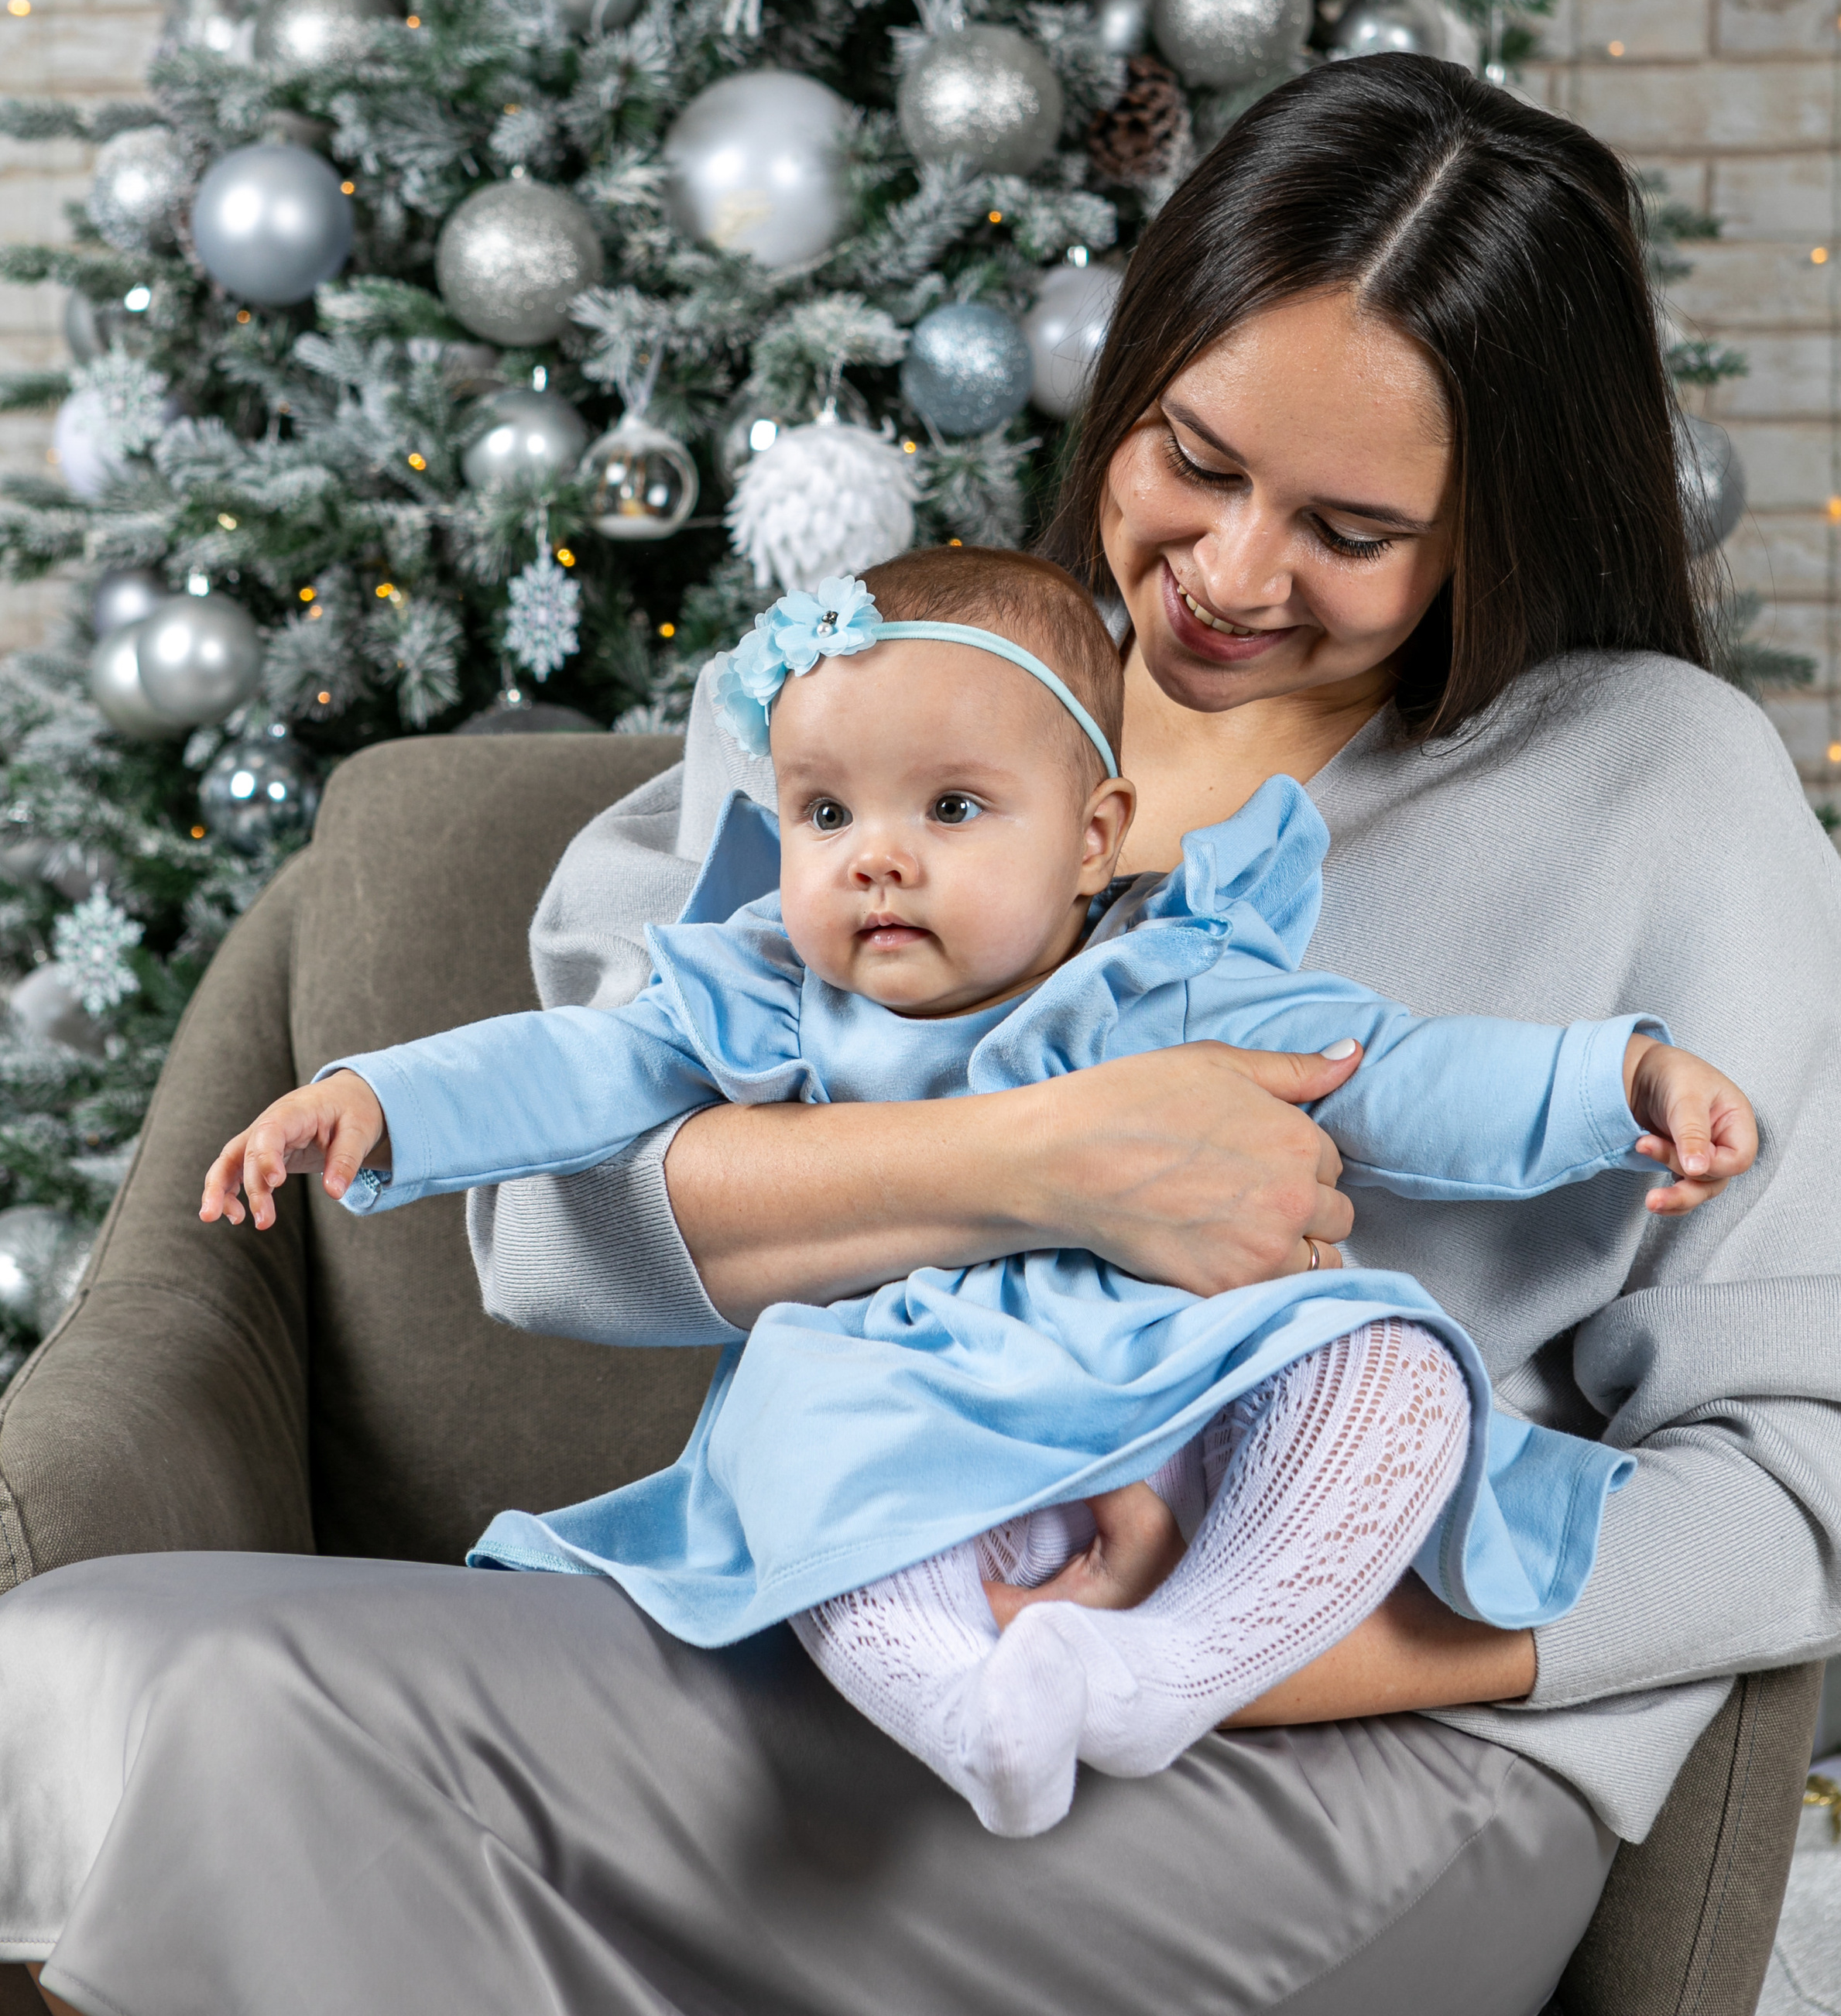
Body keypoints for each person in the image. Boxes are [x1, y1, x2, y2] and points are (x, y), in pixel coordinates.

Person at [3, 57, 1841, 2016]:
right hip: (874, 1639)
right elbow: (569, 1213)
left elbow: (1795, 1485)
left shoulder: (1653, 788)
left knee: (252, 1724)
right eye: (1193, 461)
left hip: (1350, 1760)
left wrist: (1226, 1650)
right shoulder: (883, 696)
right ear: (1126, 380)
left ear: (1495, 527)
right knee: (92, 1664)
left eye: (1349, 529)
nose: (1228, 572)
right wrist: (1043, 1169)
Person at [197, 547, 1757, 1839]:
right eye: (824, 815)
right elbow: (570, 1070)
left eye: (947, 811)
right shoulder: (763, 1001)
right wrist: (373, 1100)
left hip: (1165, 1399)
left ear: (1091, 842)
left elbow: (1403, 1075)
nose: (874, 861)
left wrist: (1619, 1085)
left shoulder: (1176, 982)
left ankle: (1176, 1661)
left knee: (1386, 1360)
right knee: (804, 1444)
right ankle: (962, 1705)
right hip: (918, 1395)